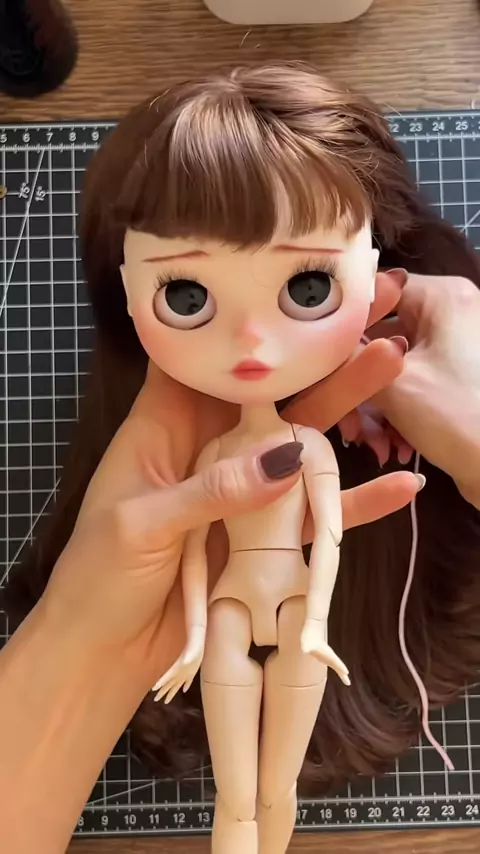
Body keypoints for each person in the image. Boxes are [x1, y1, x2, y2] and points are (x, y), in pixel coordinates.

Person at [0, 267, 479, 853]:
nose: (252, 336)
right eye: (190, 297)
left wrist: (316, 623)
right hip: (229, 604)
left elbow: (330, 536)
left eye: (305, 292)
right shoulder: (218, 453)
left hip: (295, 607)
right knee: (236, 796)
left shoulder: (310, 448)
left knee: (276, 789)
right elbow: (192, 545)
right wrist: (194, 636)